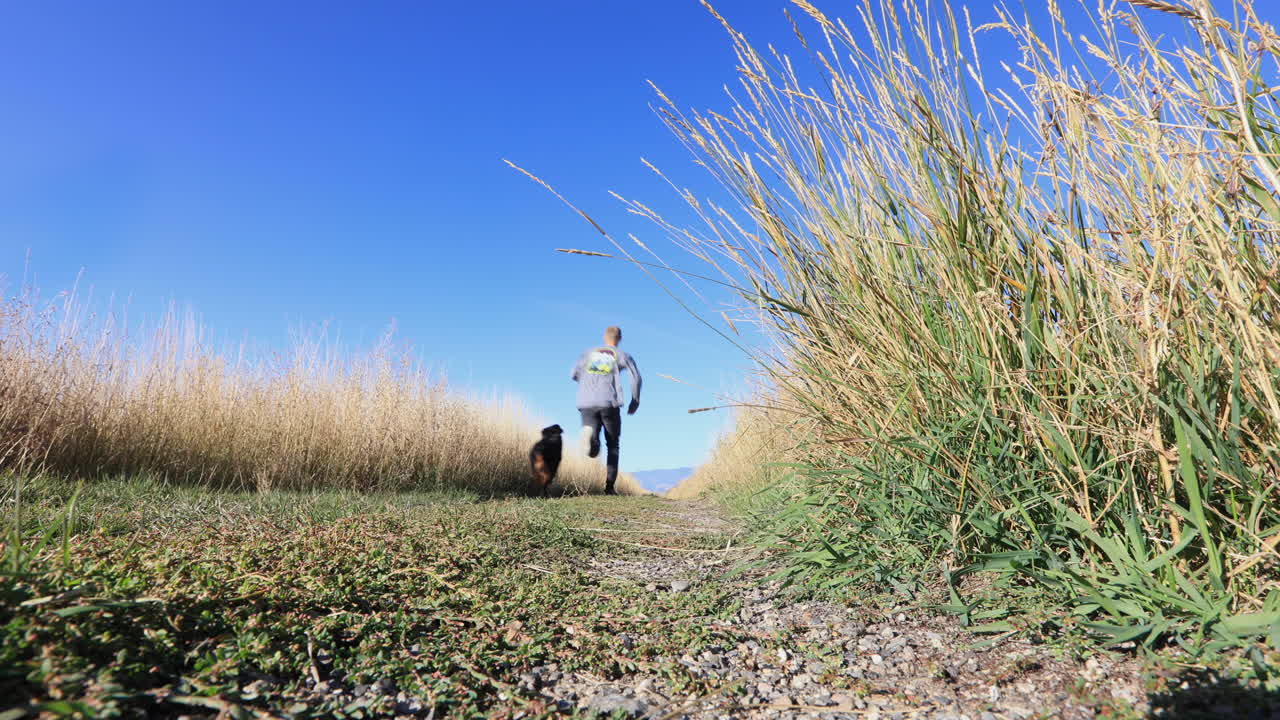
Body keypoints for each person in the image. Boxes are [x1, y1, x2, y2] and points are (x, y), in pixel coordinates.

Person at [571, 325, 641, 495]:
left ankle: (592, 437)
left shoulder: (587, 353)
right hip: (609, 402)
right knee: (613, 445)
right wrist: (635, 400)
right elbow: (636, 378)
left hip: (586, 402)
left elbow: (574, 374)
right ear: (619, 338)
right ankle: (609, 487)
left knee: (593, 441)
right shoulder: (622, 355)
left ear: (604, 337)